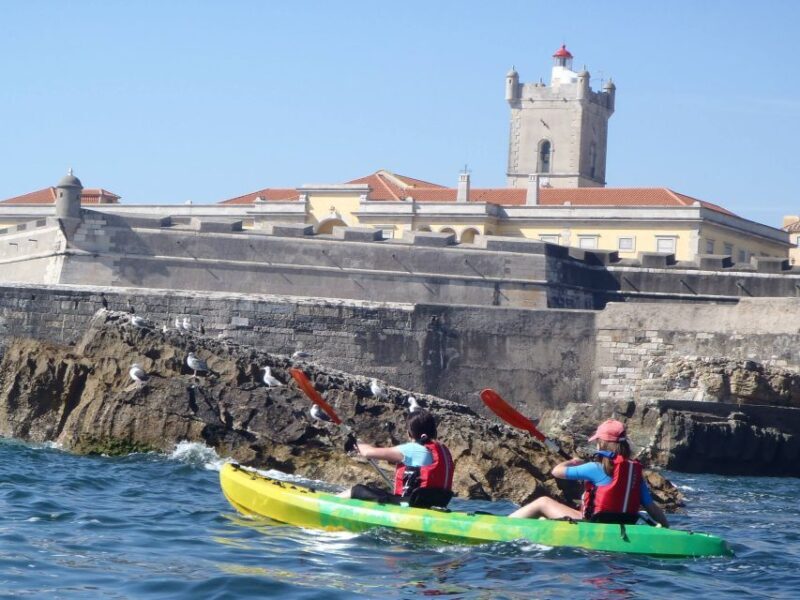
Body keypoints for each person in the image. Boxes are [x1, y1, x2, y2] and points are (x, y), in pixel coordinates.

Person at [508, 419, 669, 527]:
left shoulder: (594, 468)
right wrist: (667, 529)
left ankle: (503, 525)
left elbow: (556, 472)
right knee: (544, 519)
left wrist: (571, 462)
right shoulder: (635, 473)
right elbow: (652, 508)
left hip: (592, 525)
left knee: (543, 502)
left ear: (601, 444)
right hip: (623, 525)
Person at [338, 410, 454, 508]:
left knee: (357, 490)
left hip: (410, 506)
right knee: (381, 493)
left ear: (410, 433)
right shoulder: (442, 451)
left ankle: (326, 503)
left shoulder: (412, 449)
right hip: (434, 505)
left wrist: (357, 442)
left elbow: (368, 452)